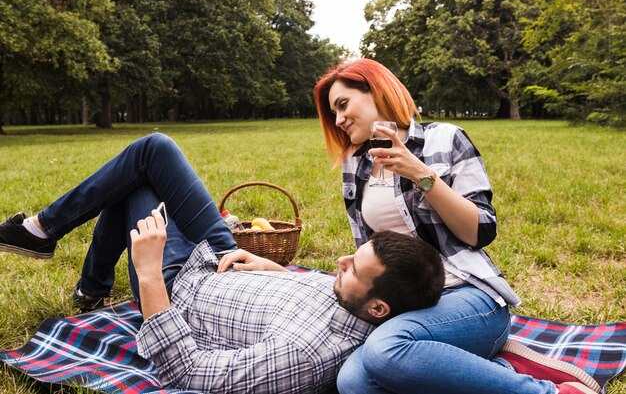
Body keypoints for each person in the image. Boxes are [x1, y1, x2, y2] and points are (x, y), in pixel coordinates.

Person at [0, 133, 446, 393]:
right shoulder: (355, 298)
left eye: (352, 267)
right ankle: (71, 264)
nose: (340, 261)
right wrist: (275, 270)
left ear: (379, 309)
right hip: (221, 255)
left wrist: (150, 272)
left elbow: (187, 370)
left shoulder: (304, 354)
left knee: (134, 187)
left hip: (179, 285)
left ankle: (63, 256)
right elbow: (312, 287)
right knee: (153, 152)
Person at [312, 58, 601, 394]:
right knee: (353, 382)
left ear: (376, 91)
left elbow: (480, 231)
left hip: (467, 293)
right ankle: (493, 370)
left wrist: (422, 175)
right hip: (407, 304)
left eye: (343, 105)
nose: (339, 119)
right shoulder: (355, 164)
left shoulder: (446, 139)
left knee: (384, 351)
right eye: (333, 113)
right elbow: (365, 253)